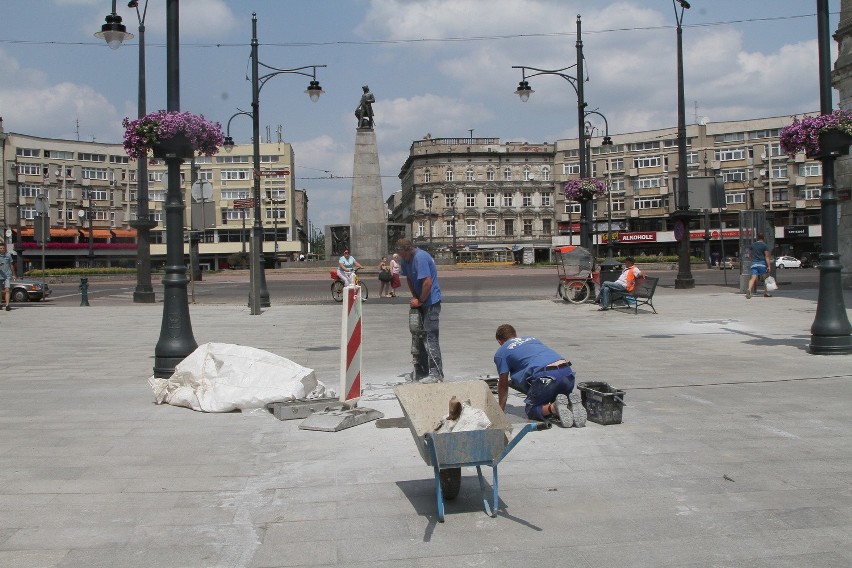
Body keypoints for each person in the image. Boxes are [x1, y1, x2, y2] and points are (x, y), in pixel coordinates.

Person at [493, 324, 585, 428]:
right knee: (557, 396)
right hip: (566, 371)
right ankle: (569, 404)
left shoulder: (501, 352)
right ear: (515, 335)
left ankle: (554, 407)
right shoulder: (532, 339)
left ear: (499, 341)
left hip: (546, 375)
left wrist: (500, 409)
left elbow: (503, 383)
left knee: (531, 410)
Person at [396, 238, 443, 383]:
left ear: (409, 249)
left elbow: (427, 282)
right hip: (421, 301)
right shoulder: (405, 259)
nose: (402, 258)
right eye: (400, 255)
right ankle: (422, 371)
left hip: (430, 302)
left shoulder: (420, 257)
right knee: (418, 337)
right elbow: (409, 279)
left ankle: (436, 374)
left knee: (430, 337)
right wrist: (415, 297)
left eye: (403, 254)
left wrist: (421, 300)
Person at [746, 232, 773, 299]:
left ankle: (749, 289)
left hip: (754, 263)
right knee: (765, 279)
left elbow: (749, 255)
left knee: (753, 278)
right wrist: (769, 266)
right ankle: (766, 293)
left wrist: (752, 259)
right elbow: (767, 256)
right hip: (762, 264)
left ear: (757, 237)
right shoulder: (764, 245)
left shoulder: (753, 245)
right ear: (763, 238)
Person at [0, 242, 14, 311]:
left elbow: (11, 265)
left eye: (3, 248)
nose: (2, 249)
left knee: (7, 290)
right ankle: (0, 304)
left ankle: (7, 305)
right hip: (0, 275)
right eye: (0, 248)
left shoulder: (8, 255)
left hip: (7, 275)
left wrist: (14, 274)